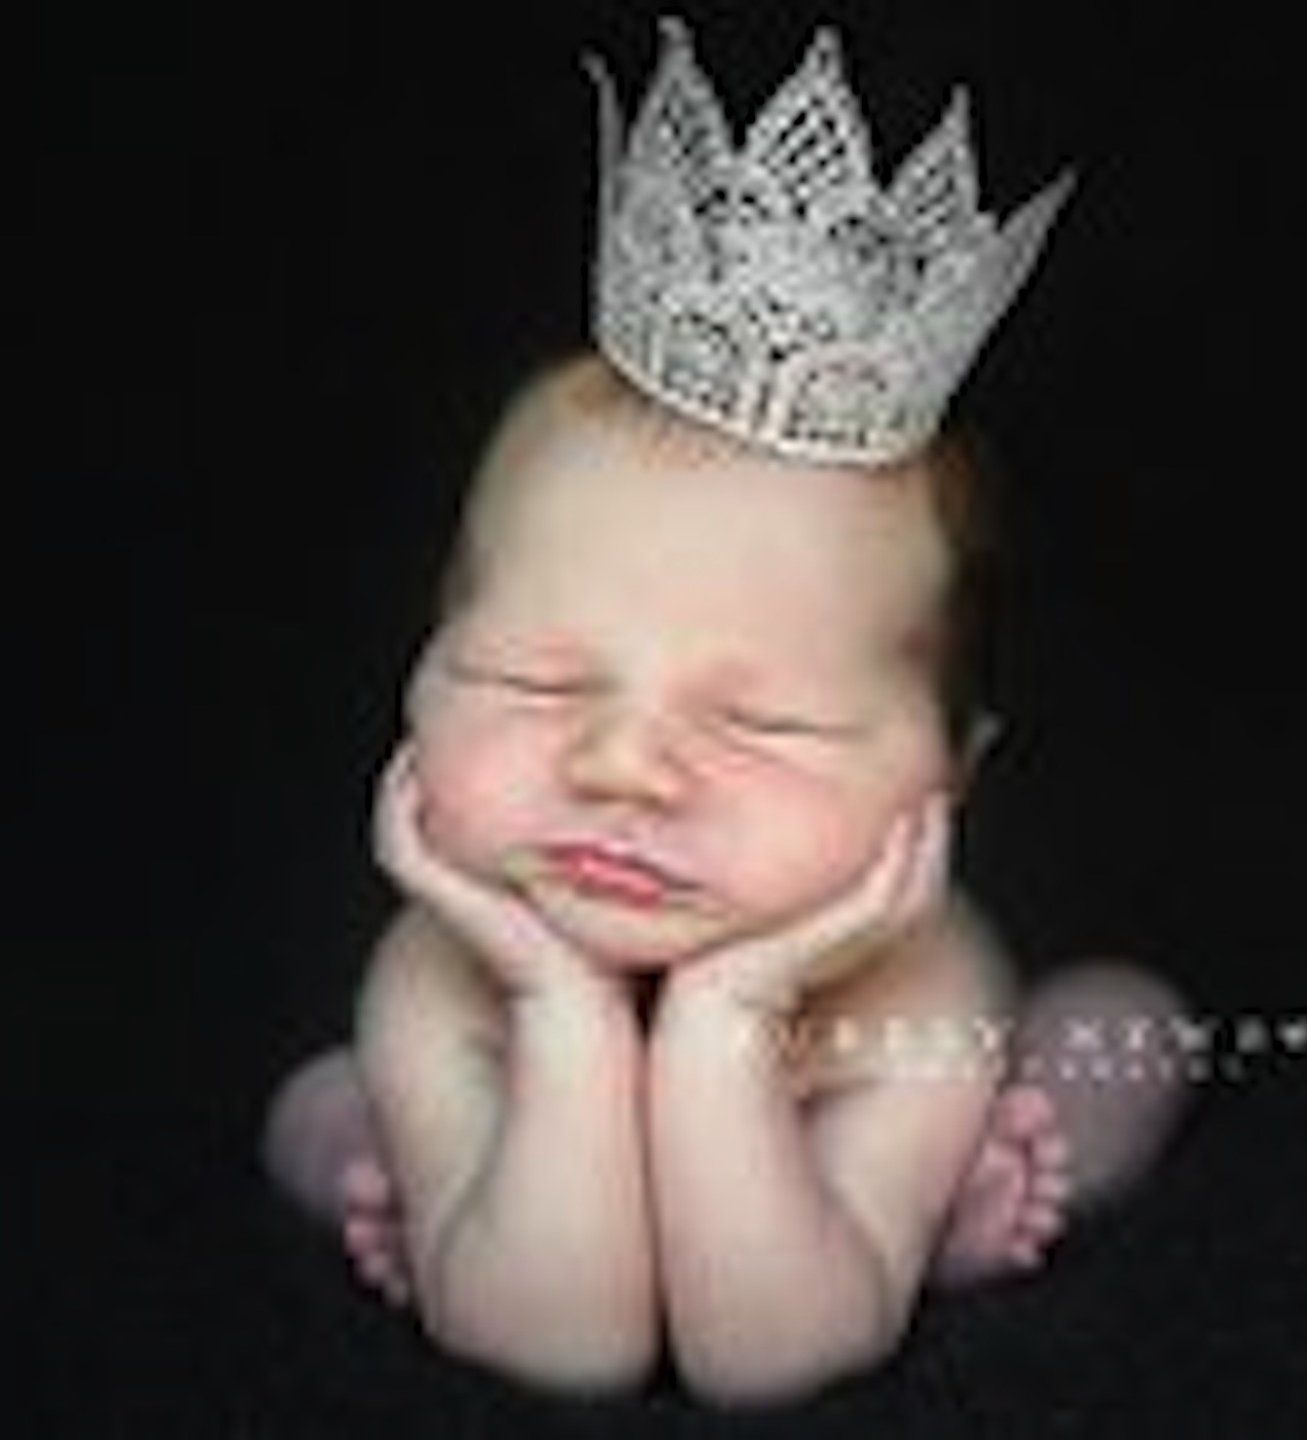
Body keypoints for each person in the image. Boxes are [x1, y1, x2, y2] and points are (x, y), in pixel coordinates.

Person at [260, 22, 1191, 1406]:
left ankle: (921, 1209)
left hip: (902, 1101)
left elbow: (771, 1358)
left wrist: (731, 1015)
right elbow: (559, 1348)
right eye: (532, 683)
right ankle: (417, 1166)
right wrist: (555, 1004)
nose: (622, 763)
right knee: (317, 1112)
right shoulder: (442, 977)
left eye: (767, 727)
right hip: (503, 1090)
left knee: (1122, 1032)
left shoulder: (919, 992)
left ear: (949, 776)